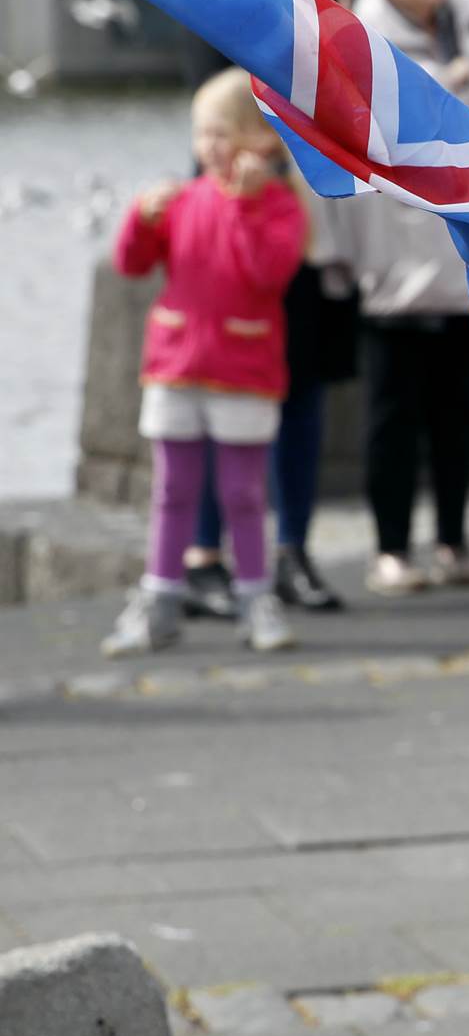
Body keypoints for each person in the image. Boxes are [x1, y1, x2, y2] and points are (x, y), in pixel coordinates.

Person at [184, 0, 357, 617]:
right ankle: (205, 555)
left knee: (306, 387)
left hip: (313, 210)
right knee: (226, 384)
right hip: (242, 215)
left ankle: (292, 549)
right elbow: (207, 103)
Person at [339, 0, 469, 591]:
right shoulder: (361, 35)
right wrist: (458, 90)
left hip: (465, 241)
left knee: (455, 410)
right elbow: (377, 128)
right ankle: (390, 548)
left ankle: (452, 539)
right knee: (393, 415)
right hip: (394, 249)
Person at [102, 69, 308, 657]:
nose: (210, 148)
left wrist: (244, 208)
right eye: (203, 135)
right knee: (172, 489)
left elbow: (268, 274)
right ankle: (158, 597)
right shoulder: (182, 199)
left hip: (244, 367)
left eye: (223, 134)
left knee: (244, 492)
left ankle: (255, 597)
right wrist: (140, 218)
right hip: (174, 364)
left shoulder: (280, 208)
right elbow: (132, 264)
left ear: (261, 142)